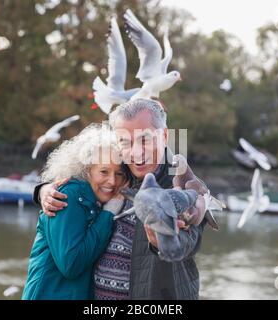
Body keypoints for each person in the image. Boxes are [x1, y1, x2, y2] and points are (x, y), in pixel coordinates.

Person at [34, 99, 208, 299]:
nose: (136, 152)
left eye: (145, 139)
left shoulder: (182, 185)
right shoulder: (117, 175)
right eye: (125, 142)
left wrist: (163, 241)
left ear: (165, 135)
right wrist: (43, 190)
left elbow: (189, 240)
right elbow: (78, 178)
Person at [22, 124, 127, 300]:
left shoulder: (95, 201)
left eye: (119, 174)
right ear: (87, 171)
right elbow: (71, 264)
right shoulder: (70, 196)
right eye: (104, 171)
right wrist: (108, 214)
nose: (112, 181)